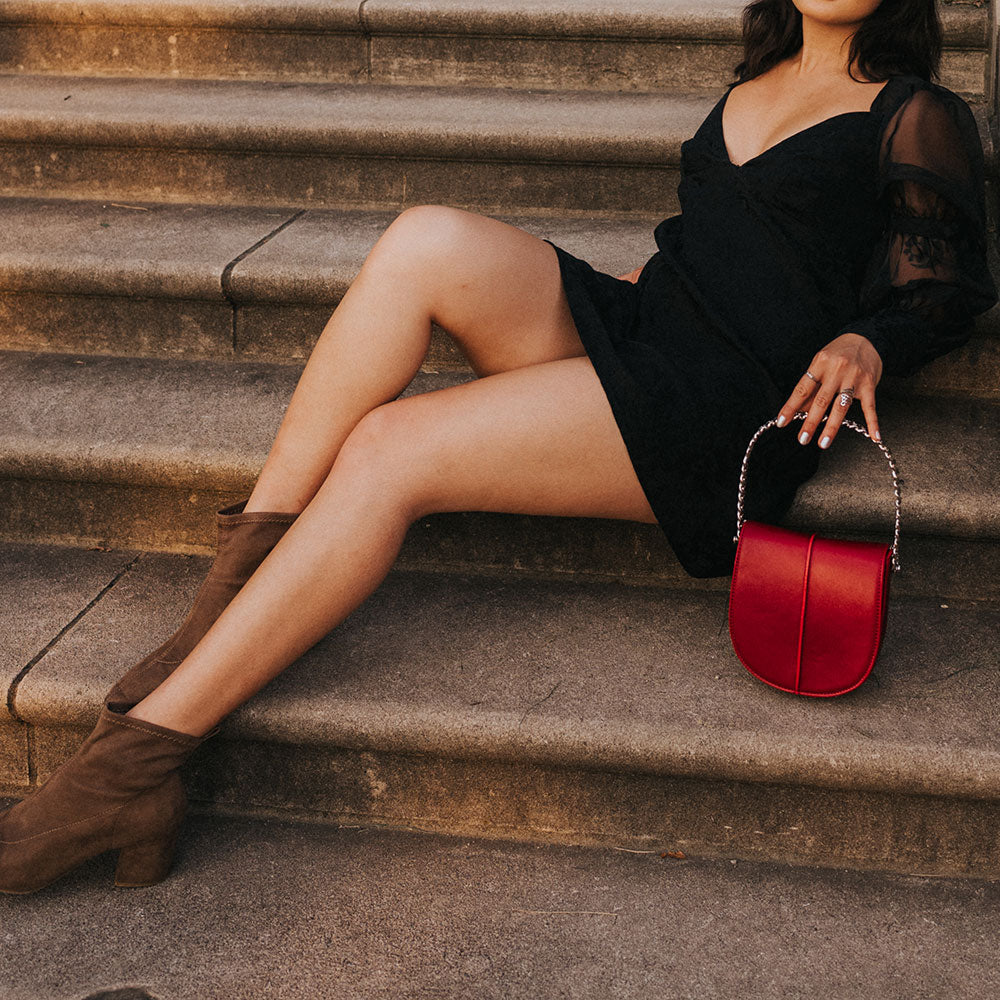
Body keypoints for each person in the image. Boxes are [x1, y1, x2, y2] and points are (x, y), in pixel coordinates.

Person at [1, 0, 995, 894]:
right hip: (650, 327)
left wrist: (868, 338)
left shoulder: (913, 111)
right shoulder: (755, 77)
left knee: (391, 447)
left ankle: (131, 768)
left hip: (723, 406)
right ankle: (221, 604)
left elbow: (942, 291)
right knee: (424, 239)